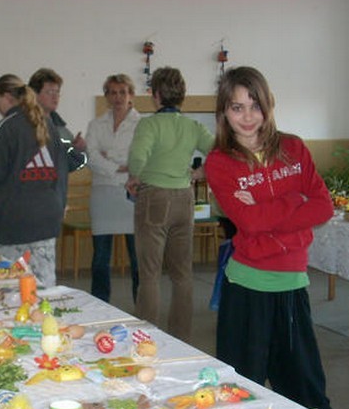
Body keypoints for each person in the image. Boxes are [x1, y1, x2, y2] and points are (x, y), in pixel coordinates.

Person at [204, 66, 339, 409]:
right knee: (239, 396)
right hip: (246, 288)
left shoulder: (293, 148)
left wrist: (267, 210)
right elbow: (248, 222)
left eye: (255, 106)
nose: (248, 117)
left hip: (292, 286)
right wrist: (295, 200)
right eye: (237, 107)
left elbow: (323, 207)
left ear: (268, 105)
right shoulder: (219, 162)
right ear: (224, 112)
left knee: (308, 395)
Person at [126, 67, 214, 342]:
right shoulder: (193, 126)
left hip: (154, 198)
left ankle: (145, 339)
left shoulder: (149, 125)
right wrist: (199, 173)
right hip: (184, 198)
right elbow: (220, 153)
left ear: (156, 95)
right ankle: (181, 338)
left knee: (150, 273)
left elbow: (137, 160)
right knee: (182, 274)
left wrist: (134, 177)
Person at [0, 74, 68, 288]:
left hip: (14, 221)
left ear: (8, 97)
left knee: (10, 287)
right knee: (43, 287)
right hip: (47, 218)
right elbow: (61, 172)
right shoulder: (47, 124)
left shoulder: (6, 127)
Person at [86, 74, 140, 303]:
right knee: (100, 257)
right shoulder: (96, 124)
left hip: (132, 193)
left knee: (138, 258)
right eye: (112, 92)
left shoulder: (143, 124)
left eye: (122, 92)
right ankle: (100, 303)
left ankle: (143, 305)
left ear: (131, 95)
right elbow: (91, 157)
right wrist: (119, 166)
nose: (118, 97)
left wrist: (108, 156)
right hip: (103, 195)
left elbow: (140, 158)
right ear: (106, 96)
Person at [28, 68, 88, 172]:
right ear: (34, 94)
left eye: (57, 92)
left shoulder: (62, 131)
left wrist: (79, 150)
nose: (55, 96)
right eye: (50, 92)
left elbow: (74, 165)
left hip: (56, 182)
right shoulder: (21, 126)